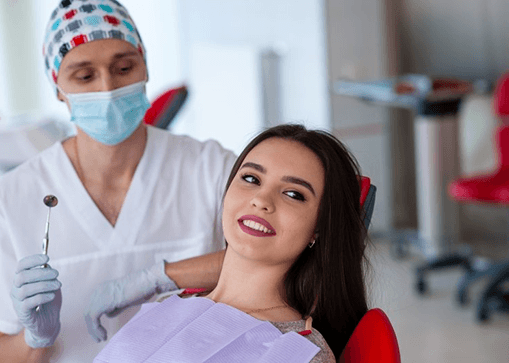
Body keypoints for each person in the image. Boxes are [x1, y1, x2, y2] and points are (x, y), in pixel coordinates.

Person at [0, 1, 236, 362]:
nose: (108, 88)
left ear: (145, 68)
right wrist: (37, 338)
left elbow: (281, 263)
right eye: (84, 76)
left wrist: (161, 276)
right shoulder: (12, 200)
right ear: (58, 88)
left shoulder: (210, 168)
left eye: (124, 68)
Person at [94, 124, 369, 362]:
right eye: (251, 178)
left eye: (293, 194)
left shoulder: (299, 352)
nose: (261, 199)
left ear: (318, 229)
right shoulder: (170, 303)